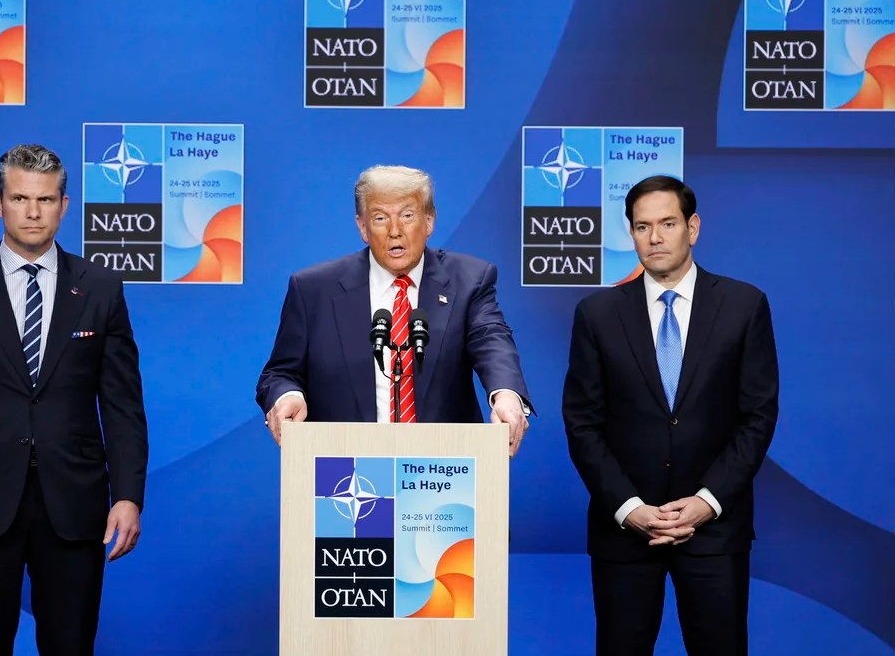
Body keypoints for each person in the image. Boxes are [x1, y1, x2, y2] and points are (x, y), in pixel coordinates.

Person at [0, 144, 149, 656]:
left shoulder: (101, 288)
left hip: (74, 506)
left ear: (63, 205)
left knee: (71, 646)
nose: (33, 212)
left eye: (45, 199)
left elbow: (122, 404)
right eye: (19, 198)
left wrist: (127, 496)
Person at [562, 175, 779, 655]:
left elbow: (757, 417)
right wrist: (629, 508)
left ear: (693, 227)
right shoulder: (596, 314)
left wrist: (706, 501)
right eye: (641, 227)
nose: (654, 238)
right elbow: (582, 423)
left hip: (715, 532)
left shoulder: (744, 306)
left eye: (667, 223)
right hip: (625, 533)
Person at [257, 164, 533, 455]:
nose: (395, 231)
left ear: (429, 222)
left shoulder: (469, 281)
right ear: (362, 227)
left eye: (407, 215)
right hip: (344, 473)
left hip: (440, 474)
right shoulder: (313, 290)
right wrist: (286, 396)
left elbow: (491, 339)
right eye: (379, 218)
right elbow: (279, 373)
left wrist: (506, 394)